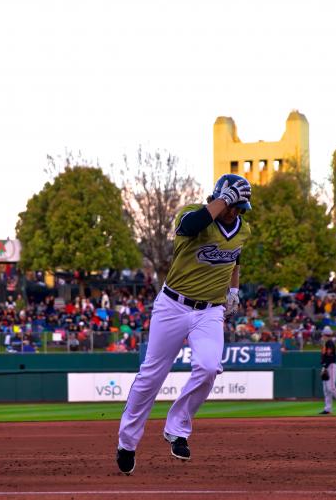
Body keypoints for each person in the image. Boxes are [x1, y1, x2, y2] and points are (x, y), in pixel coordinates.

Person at [116, 174, 252, 475]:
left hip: (209, 311)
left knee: (208, 366)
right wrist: (224, 198)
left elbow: (235, 260)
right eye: (234, 204)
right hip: (173, 305)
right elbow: (191, 227)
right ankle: (127, 442)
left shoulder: (244, 230)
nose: (236, 211)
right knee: (152, 375)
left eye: (240, 206)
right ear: (220, 197)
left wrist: (233, 290)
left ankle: (177, 429)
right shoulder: (191, 213)